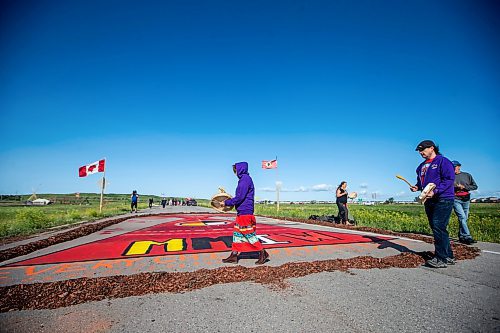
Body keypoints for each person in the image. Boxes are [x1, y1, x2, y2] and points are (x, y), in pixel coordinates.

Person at [410, 140, 455, 268]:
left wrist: (436, 191)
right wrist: (417, 187)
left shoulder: (443, 161)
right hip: (428, 199)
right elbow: (421, 183)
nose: (420, 152)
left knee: (438, 225)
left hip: (443, 198)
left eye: (422, 149)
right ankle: (448, 255)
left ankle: (440, 258)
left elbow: (449, 180)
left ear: (432, 148)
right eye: (419, 150)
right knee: (438, 227)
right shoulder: (420, 167)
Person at [220, 162, 269, 265]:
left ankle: (262, 252)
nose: (235, 173)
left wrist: (226, 202)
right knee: (237, 235)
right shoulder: (244, 179)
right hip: (242, 212)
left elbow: (240, 197)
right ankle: (234, 255)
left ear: (240, 170)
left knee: (248, 234)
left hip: (245, 212)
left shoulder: (244, 180)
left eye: (235, 170)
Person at [451, 160, 478, 244]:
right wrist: (455, 187)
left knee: (464, 218)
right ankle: (468, 236)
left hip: (466, 199)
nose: (453, 169)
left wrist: (464, 187)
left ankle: (462, 236)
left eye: (454, 167)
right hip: (455, 199)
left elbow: (475, 186)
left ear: (459, 166)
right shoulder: (450, 176)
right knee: (462, 217)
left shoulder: (467, 175)